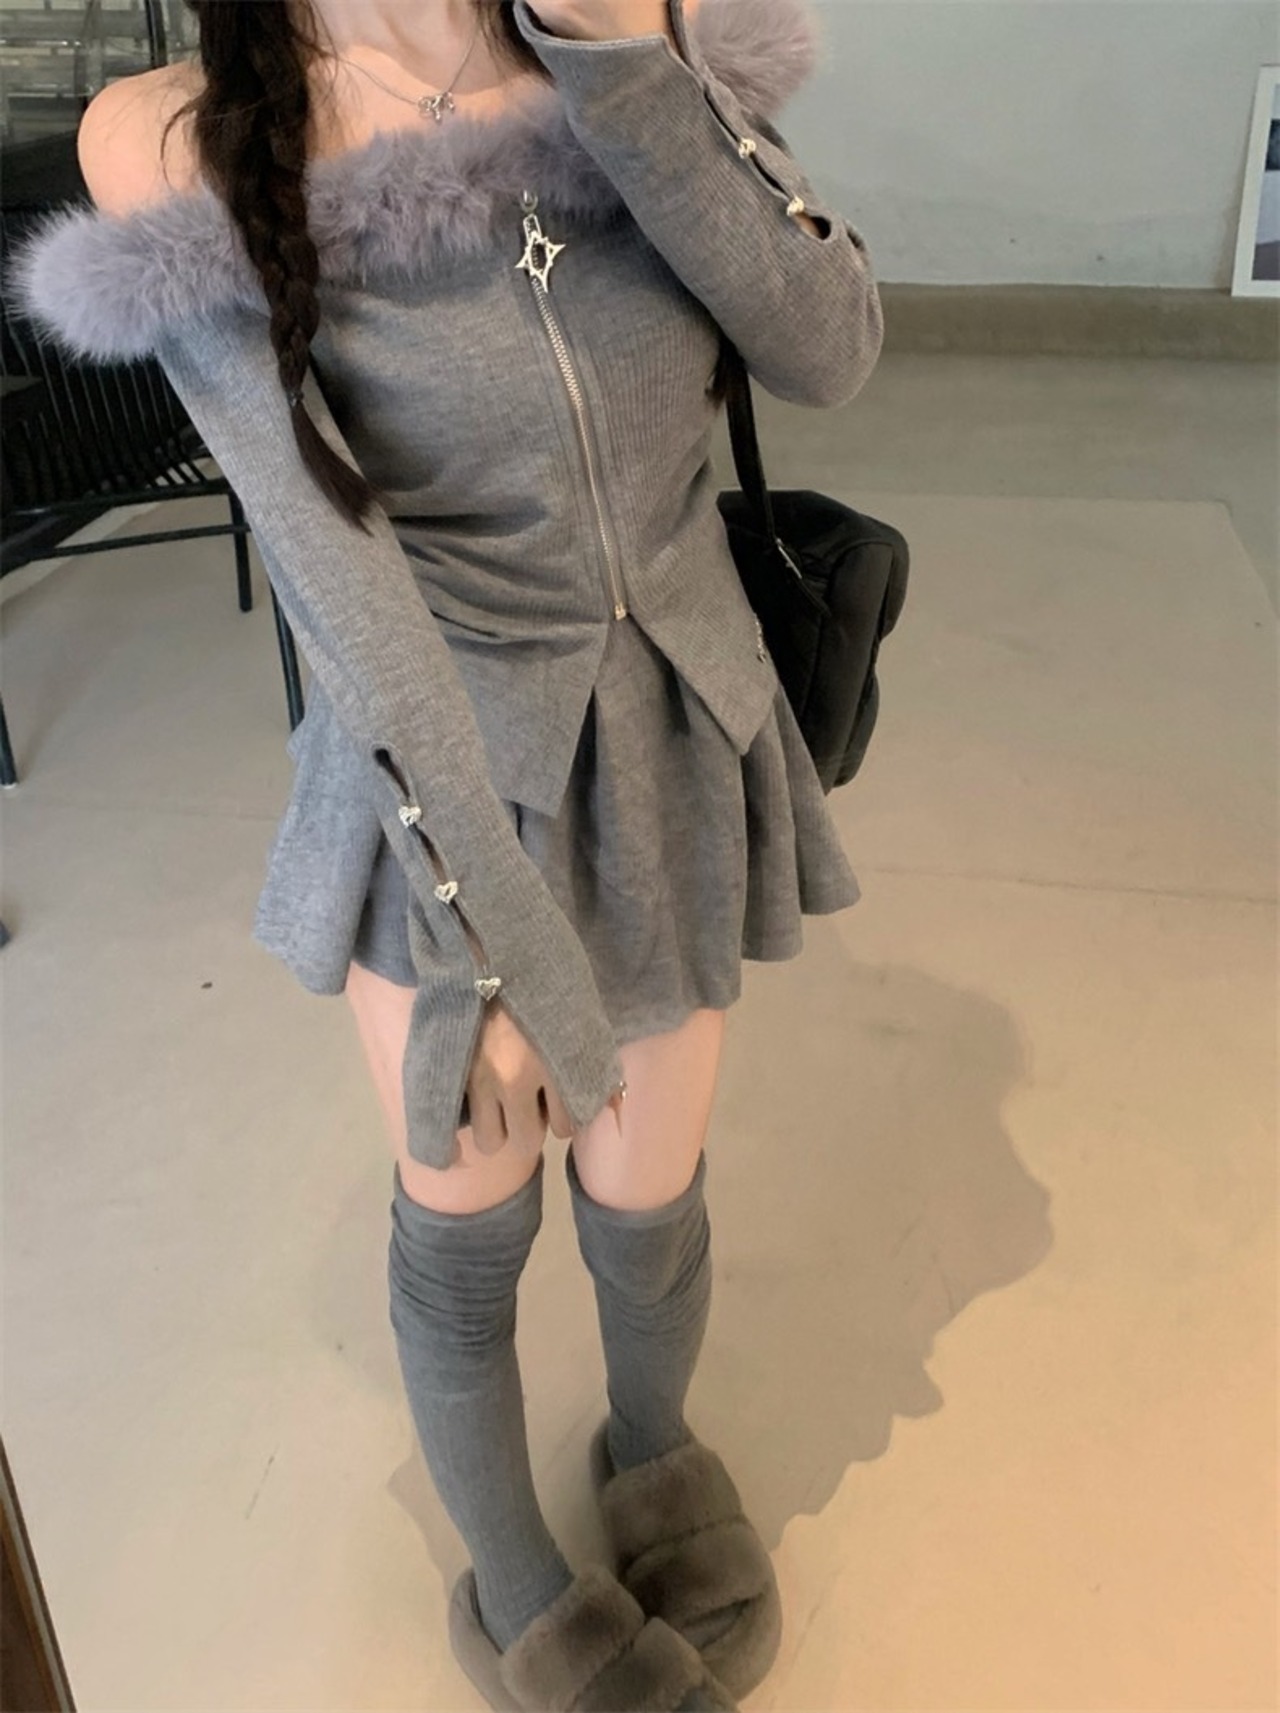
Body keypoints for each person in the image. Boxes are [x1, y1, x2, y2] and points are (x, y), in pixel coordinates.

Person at [8, 0, 883, 1704]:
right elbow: (336, 578)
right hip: (438, 766)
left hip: (679, 719)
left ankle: (655, 1448)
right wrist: (491, 941)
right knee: (471, 1214)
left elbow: (829, 347)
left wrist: (626, 62)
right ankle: (517, 1584)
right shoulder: (178, 138)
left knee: (649, 1189)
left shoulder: (642, 35)